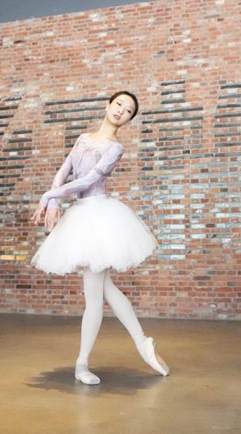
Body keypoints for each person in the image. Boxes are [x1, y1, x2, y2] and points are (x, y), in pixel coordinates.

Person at [30, 91, 169, 385]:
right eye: (118, 104)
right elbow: (64, 171)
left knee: (94, 295)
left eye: (128, 110)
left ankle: (82, 363)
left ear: (129, 120)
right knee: (104, 288)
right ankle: (142, 343)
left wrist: (50, 196)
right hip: (81, 215)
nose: (121, 111)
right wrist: (52, 199)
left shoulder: (115, 148)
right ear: (108, 105)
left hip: (100, 215)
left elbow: (89, 180)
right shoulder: (83, 138)